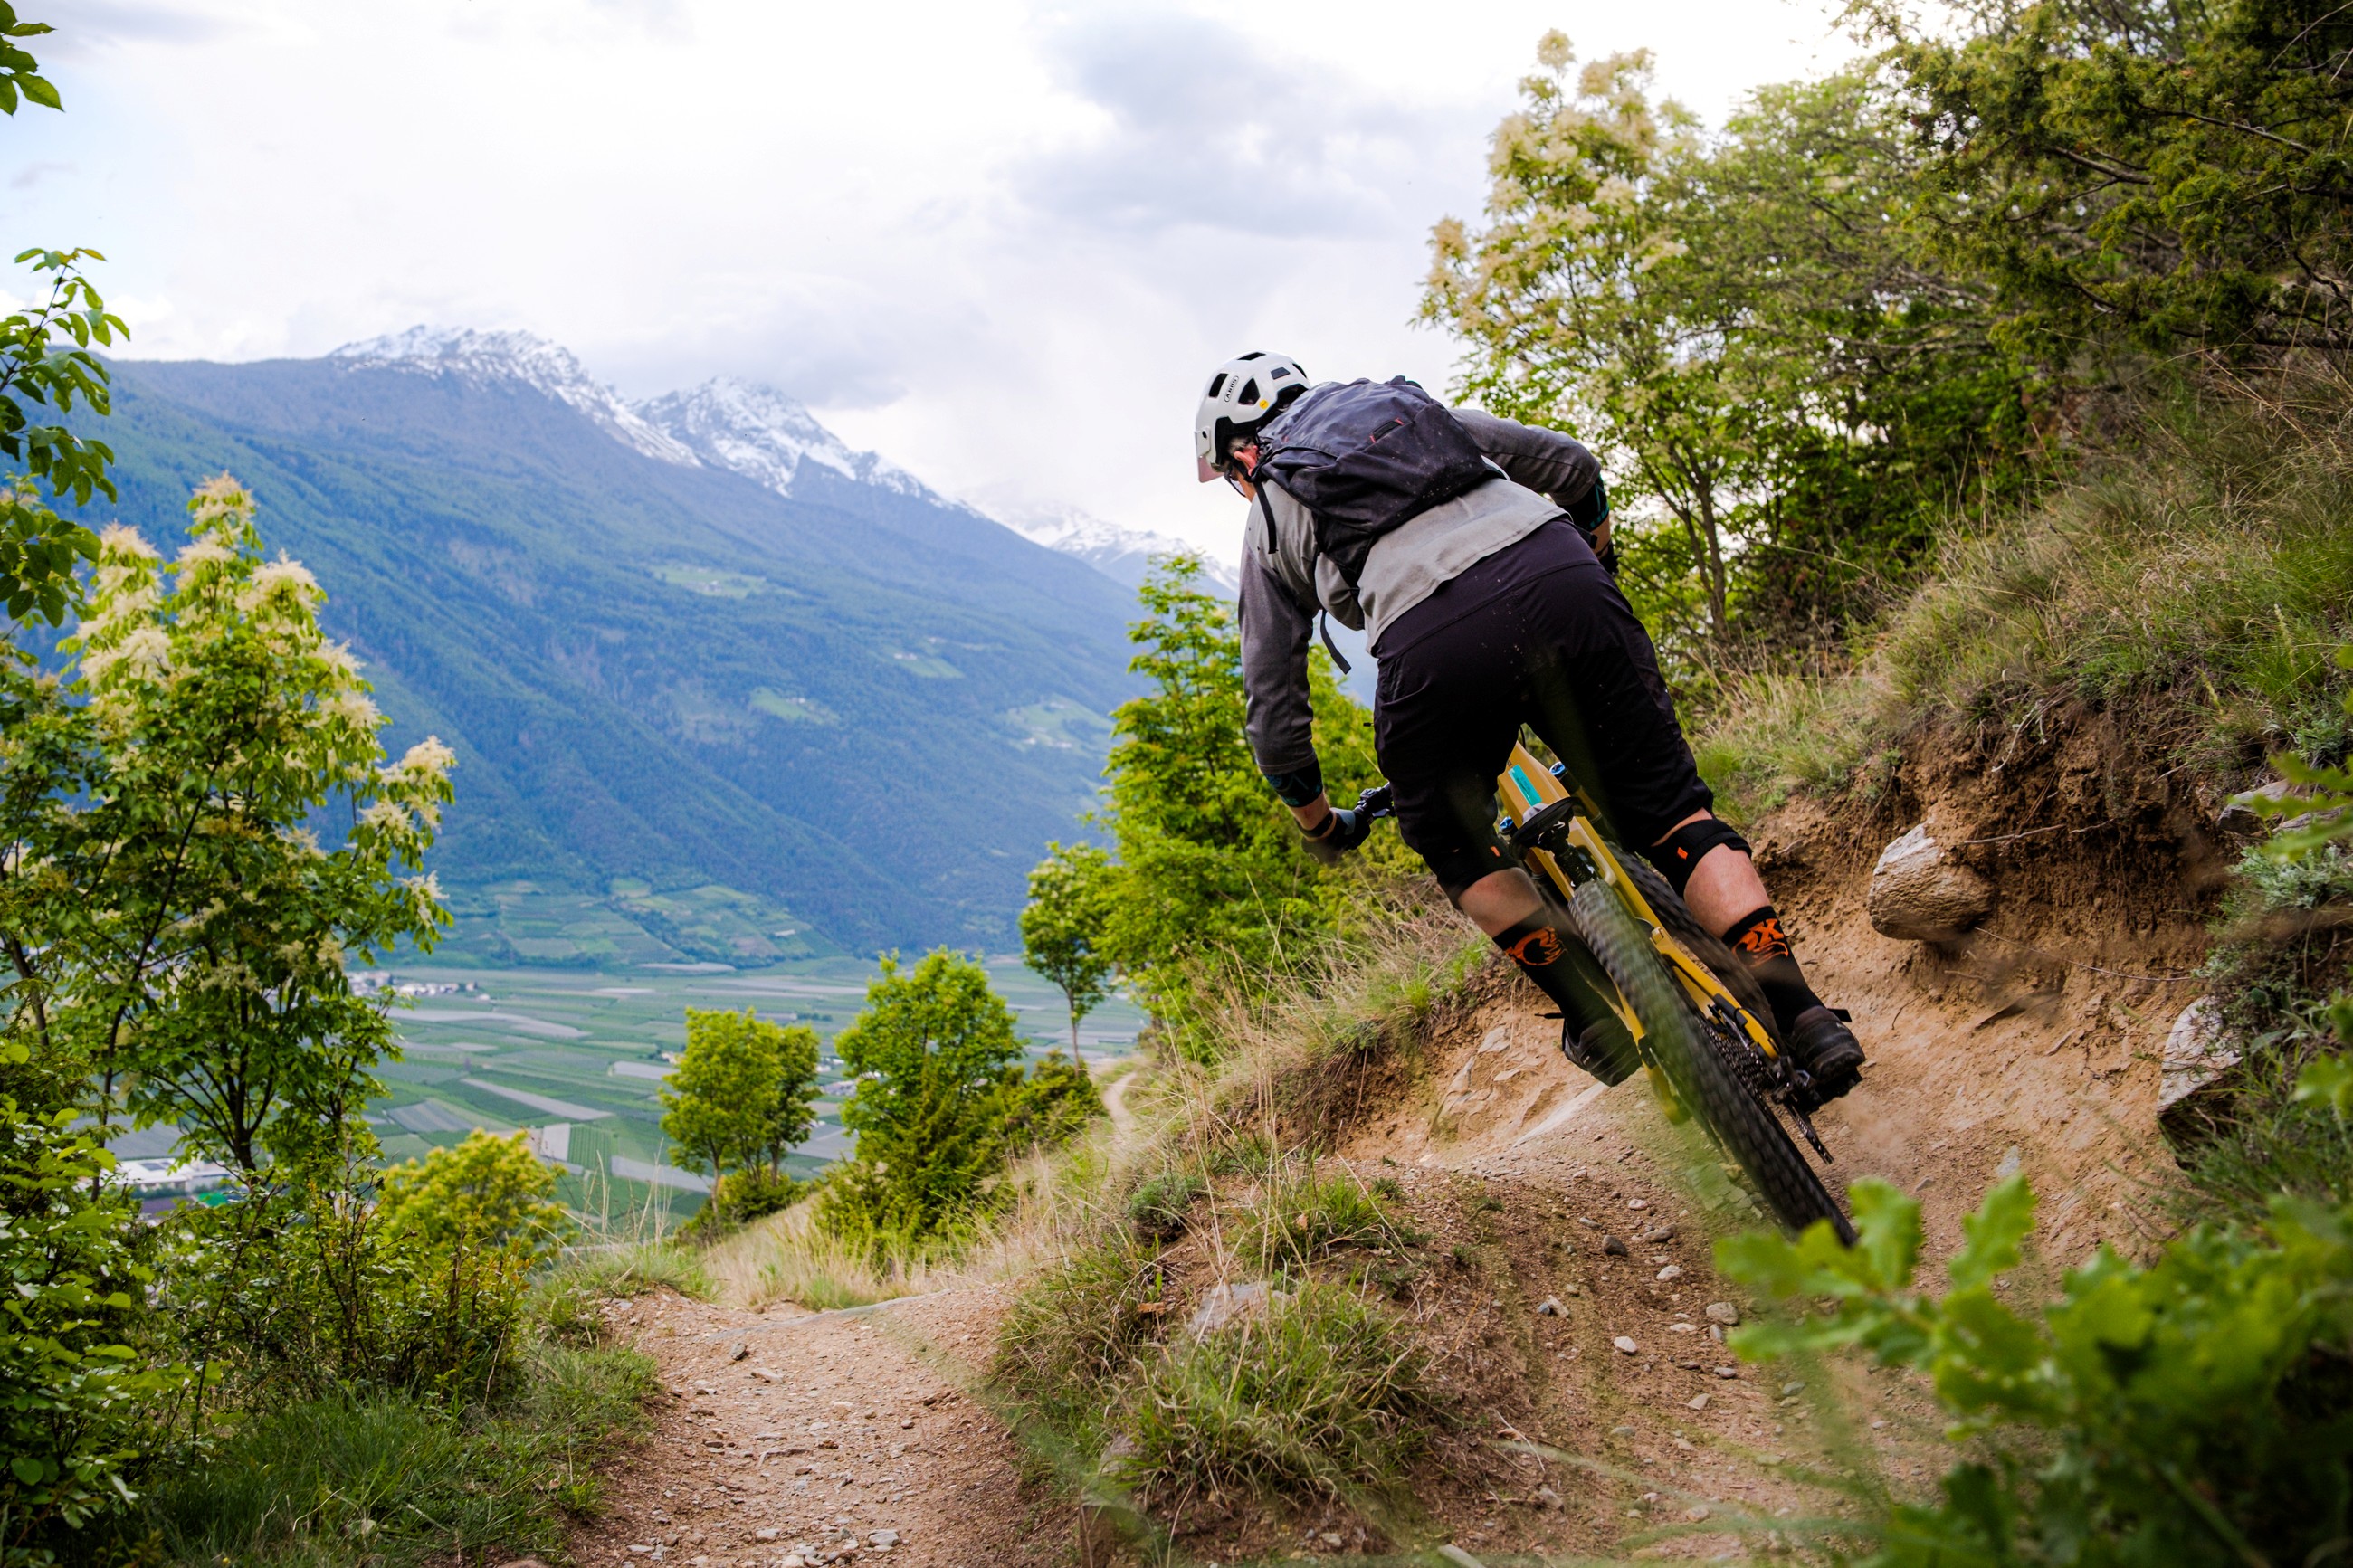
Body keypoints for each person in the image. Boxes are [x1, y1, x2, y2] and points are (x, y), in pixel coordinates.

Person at [1196, 350, 1865, 1099]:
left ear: (1244, 453)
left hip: (1435, 648)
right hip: (1563, 578)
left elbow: (1273, 704)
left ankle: (1592, 1013)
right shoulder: (1411, 413)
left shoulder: (1268, 514)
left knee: (1457, 847)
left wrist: (1321, 824)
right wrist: (1597, 568)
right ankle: (1804, 1011)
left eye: (1230, 475)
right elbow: (1573, 465)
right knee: (1672, 810)